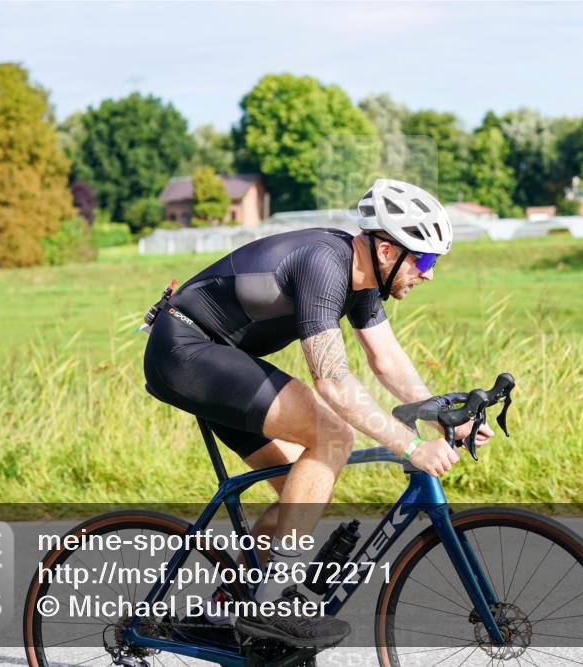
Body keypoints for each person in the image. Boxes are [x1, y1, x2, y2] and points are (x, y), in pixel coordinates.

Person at [143, 179, 492, 647]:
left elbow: (386, 360)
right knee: (331, 436)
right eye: (424, 260)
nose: (428, 274)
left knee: (299, 492)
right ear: (387, 251)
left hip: (220, 361)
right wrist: (410, 446)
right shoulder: (323, 265)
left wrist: (442, 413)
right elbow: (332, 381)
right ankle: (273, 604)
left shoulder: (363, 279)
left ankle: (225, 610)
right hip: (185, 351)